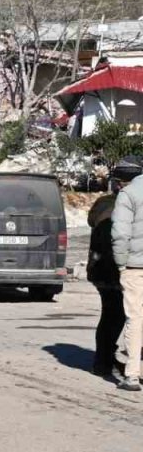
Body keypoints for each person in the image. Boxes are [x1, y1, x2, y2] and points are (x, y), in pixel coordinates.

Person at [88, 162, 141, 378]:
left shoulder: (109, 202)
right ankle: (105, 361)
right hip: (110, 269)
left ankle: (109, 360)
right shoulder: (110, 205)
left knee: (117, 316)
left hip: (114, 268)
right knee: (116, 315)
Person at [110, 164, 143, 392]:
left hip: (135, 265)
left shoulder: (128, 194)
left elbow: (120, 234)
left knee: (135, 318)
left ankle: (131, 375)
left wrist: (121, 264)